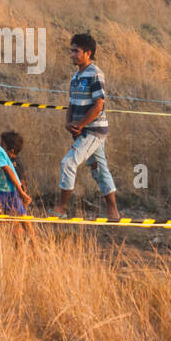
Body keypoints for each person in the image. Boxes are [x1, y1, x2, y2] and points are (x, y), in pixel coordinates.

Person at [54, 32, 120, 220]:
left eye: (77, 51)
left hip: (94, 130)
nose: (72, 54)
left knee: (68, 163)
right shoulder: (76, 77)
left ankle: (61, 207)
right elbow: (72, 103)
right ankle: (113, 211)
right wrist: (69, 123)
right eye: (71, 51)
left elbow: (99, 104)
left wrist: (82, 124)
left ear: (88, 53)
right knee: (99, 169)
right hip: (82, 130)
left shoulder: (95, 74)